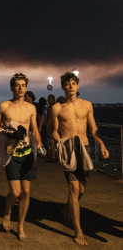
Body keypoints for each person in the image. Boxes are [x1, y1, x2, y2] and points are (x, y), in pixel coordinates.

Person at [50, 72, 109, 246]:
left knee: (81, 190)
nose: (70, 86)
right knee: (74, 188)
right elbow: (53, 130)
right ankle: (78, 230)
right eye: (67, 84)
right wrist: (60, 142)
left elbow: (93, 129)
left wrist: (102, 144)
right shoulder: (57, 108)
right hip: (68, 149)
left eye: (73, 83)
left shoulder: (87, 105)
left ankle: (66, 208)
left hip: (84, 148)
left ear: (77, 86)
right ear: (63, 86)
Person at [0, 73, 46, 241]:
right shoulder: (3, 106)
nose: (21, 88)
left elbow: (35, 130)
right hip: (12, 153)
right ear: (12, 87)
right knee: (15, 192)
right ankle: (7, 212)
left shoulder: (31, 108)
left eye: (23, 85)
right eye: (17, 85)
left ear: (26, 88)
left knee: (26, 191)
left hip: (27, 152)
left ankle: (20, 225)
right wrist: (2, 133)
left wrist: (42, 146)